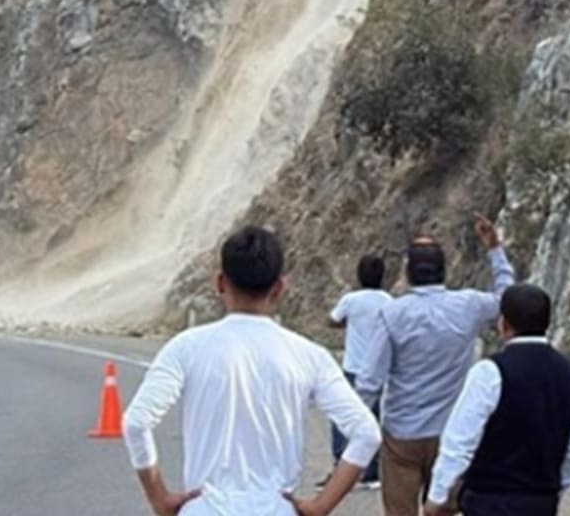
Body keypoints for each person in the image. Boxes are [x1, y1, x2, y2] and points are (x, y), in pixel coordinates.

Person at [124, 226, 381, 516]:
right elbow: (366, 433)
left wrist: (159, 497)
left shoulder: (186, 347)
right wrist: (320, 507)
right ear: (280, 287)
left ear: (220, 283)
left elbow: (136, 423)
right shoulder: (309, 355)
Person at [358, 216, 517, 516]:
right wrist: (495, 250)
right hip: (450, 432)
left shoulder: (392, 314)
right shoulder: (468, 306)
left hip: (402, 435)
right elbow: (507, 299)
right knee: (445, 509)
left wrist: (356, 426)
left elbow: (370, 381)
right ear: (445, 270)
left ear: (408, 272)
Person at [424, 284, 570, 516]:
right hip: (541, 502)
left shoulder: (489, 372)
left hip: (488, 500)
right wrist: (552, 489)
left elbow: (459, 442)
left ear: (503, 324)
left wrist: (437, 497)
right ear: (547, 324)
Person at [328, 253, 391, 485]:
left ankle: (340, 467)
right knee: (374, 419)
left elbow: (333, 319)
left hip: (353, 365)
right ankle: (372, 473)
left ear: (359, 276)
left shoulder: (351, 300)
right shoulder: (388, 301)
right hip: (379, 368)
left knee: (342, 416)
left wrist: (349, 322)